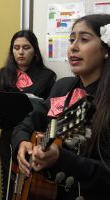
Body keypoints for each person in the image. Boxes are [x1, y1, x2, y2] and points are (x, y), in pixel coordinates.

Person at [12, 14, 110, 199]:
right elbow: (29, 121)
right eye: (71, 39)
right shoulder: (63, 87)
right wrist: (22, 142)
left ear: (106, 49)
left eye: (84, 39)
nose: (73, 47)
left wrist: (61, 158)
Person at [0, 30, 56, 199]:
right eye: (16, 48)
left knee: (30, 184)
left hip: (34, 138)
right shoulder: (4, 73)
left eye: (26, 48)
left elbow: (47, 110)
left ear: (34, 51)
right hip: (7, 137)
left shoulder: (47, 76)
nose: (20, 52)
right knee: (8, 183)